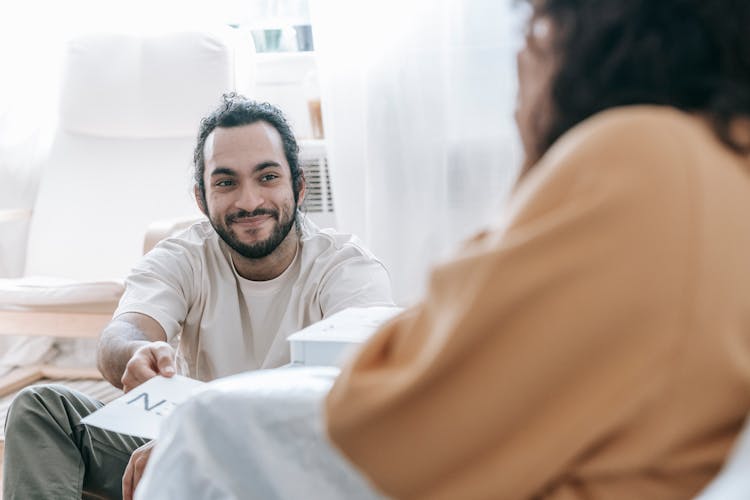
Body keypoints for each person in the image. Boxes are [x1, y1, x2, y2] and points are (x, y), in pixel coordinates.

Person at [135, 1, 750, 499]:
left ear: (598, 37)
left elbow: (391, 411)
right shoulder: (717, 163)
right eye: (225, 181)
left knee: (205, 433)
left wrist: (542, 150)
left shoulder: (638, 156)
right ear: (201, 196)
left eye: (537, 24)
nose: (522, 51)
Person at [1, 95, 394, 500]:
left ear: (297, 185)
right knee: (42, 408)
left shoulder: (348, 270)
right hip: (196, 454)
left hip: (300, 468)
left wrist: (199, 441)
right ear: (201, 199)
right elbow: (122, 333)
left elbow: (360, 399)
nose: (249, 201)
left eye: (267, 177)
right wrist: (137, 353)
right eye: (226, 182)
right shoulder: (183, 256)